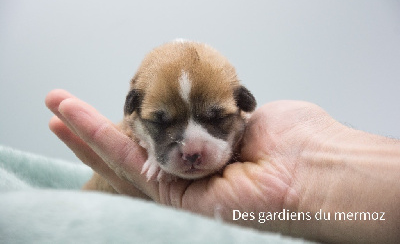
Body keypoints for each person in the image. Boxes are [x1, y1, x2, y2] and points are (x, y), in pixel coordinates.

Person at [45, 89, 400, 243]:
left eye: (217, 119)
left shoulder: (255, 152)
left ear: (244, 103)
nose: (191, 148)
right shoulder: (129, 131)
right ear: (133, 111)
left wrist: (301, 177)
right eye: (161, 123)